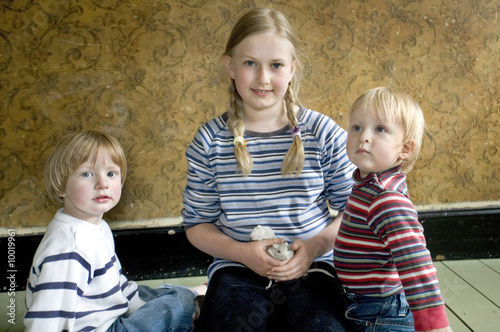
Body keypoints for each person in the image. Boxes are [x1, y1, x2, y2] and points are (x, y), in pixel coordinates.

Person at [182, 8, 355, 331]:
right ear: (230, 67)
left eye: (275, 65)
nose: (263, 78)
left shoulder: (323, 133)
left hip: (313, 268)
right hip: (236, 270)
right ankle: (206, 305)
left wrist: (314, 247)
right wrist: (243, 253)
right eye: (250, 63)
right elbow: (197, 225)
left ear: (292, 69)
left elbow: (354, 211)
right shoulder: (210, 141)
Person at [25, 130, 204, 332]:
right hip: (102, 328)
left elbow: (115, 284)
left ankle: (179, 297)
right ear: (61, 186)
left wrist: (146, 308)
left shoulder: (96, 226)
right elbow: (45, 321)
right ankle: (187, 298)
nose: (103, 184)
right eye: (87, 174)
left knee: (141, 292)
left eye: (111, 174)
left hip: (110, 315)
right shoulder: (70, 247)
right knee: (177, 304)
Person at [334, 87, 451, 331]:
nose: (363, 136)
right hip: (363, 302)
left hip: (381, 312)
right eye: (356, 127)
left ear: (405, 149)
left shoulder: (386, 199)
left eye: (380, 129)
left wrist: (434, 325)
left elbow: (416, 264)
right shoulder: (366, 183)